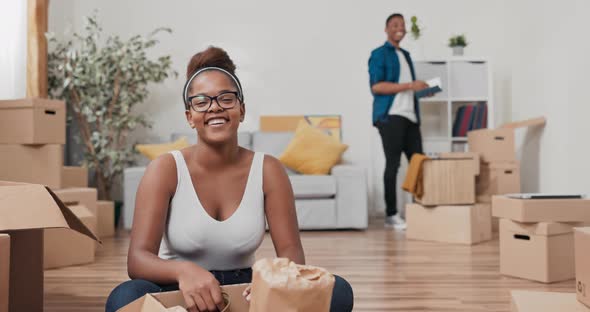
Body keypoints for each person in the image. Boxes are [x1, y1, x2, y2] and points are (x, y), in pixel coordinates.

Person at [105, 46, 354, 312]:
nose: (215, 108)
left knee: (337, 291)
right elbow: (138, 260)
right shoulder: (166, 168)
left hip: (245, 293)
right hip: (180, 291)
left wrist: (268, 280)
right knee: (124, 298)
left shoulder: (268, 169)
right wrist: (184, 271)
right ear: (190, 116)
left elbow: (292, 255)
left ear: (242, 110)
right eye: (202, 102)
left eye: (226, 98)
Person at [368, 13, 429, 230]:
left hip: (411, 116)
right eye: (395, 24)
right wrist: (410, 86)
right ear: (386, 29)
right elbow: (377, 86)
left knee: (419, 164)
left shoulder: (406, 55)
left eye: (402, 25)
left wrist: (421, 90)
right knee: (393, 165)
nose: (399, 28)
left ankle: (420, 209)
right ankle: (391, 214)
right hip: (391, 116)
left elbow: (407, 87)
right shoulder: (379, 54)